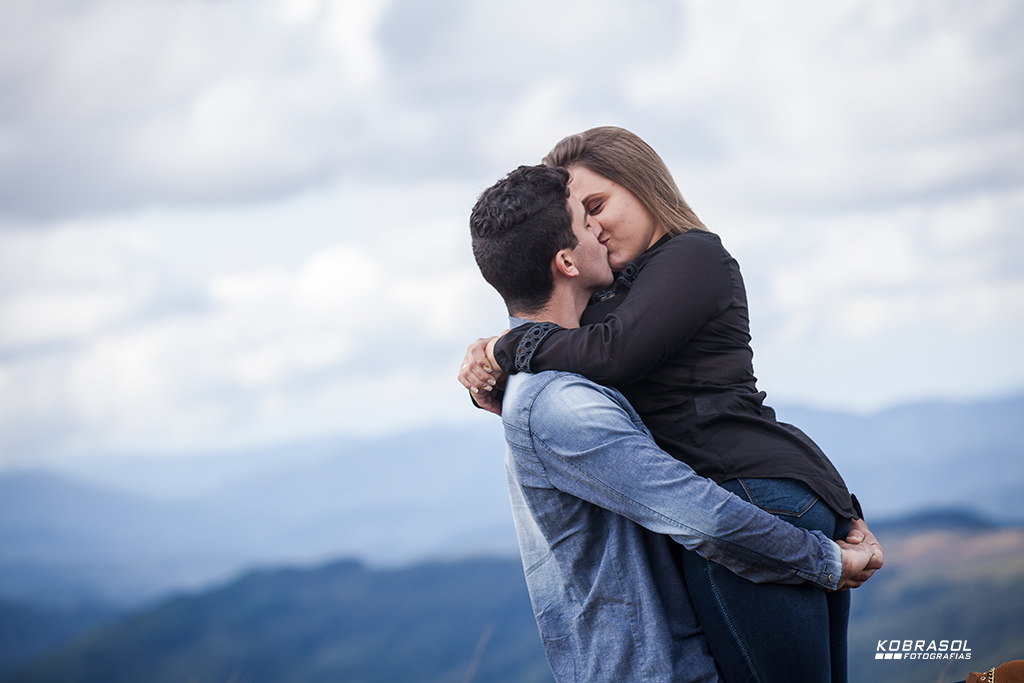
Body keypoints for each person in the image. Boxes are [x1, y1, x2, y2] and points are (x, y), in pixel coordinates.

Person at [460, 127, 883, 683]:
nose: (595, 226)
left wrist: (511, 346)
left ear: (639, 183)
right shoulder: (612, 293)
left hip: (747, 502)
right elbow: (563, 320)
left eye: (597, 206)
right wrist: (497, 367)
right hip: (759, 500)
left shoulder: (691, 255)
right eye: (581, 220)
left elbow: (614, 352)